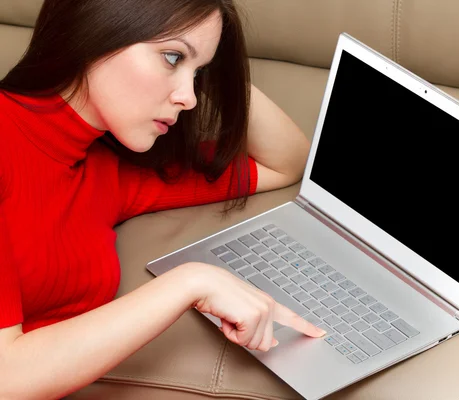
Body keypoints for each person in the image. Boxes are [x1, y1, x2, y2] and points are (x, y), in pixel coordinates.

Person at [0, 0, 327, 398]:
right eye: (171, 56)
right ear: (94, 30)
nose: (189, 97)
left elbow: (285, 164)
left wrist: (216, 71)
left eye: (199, 75)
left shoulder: (108, 170)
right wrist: (190, 283)